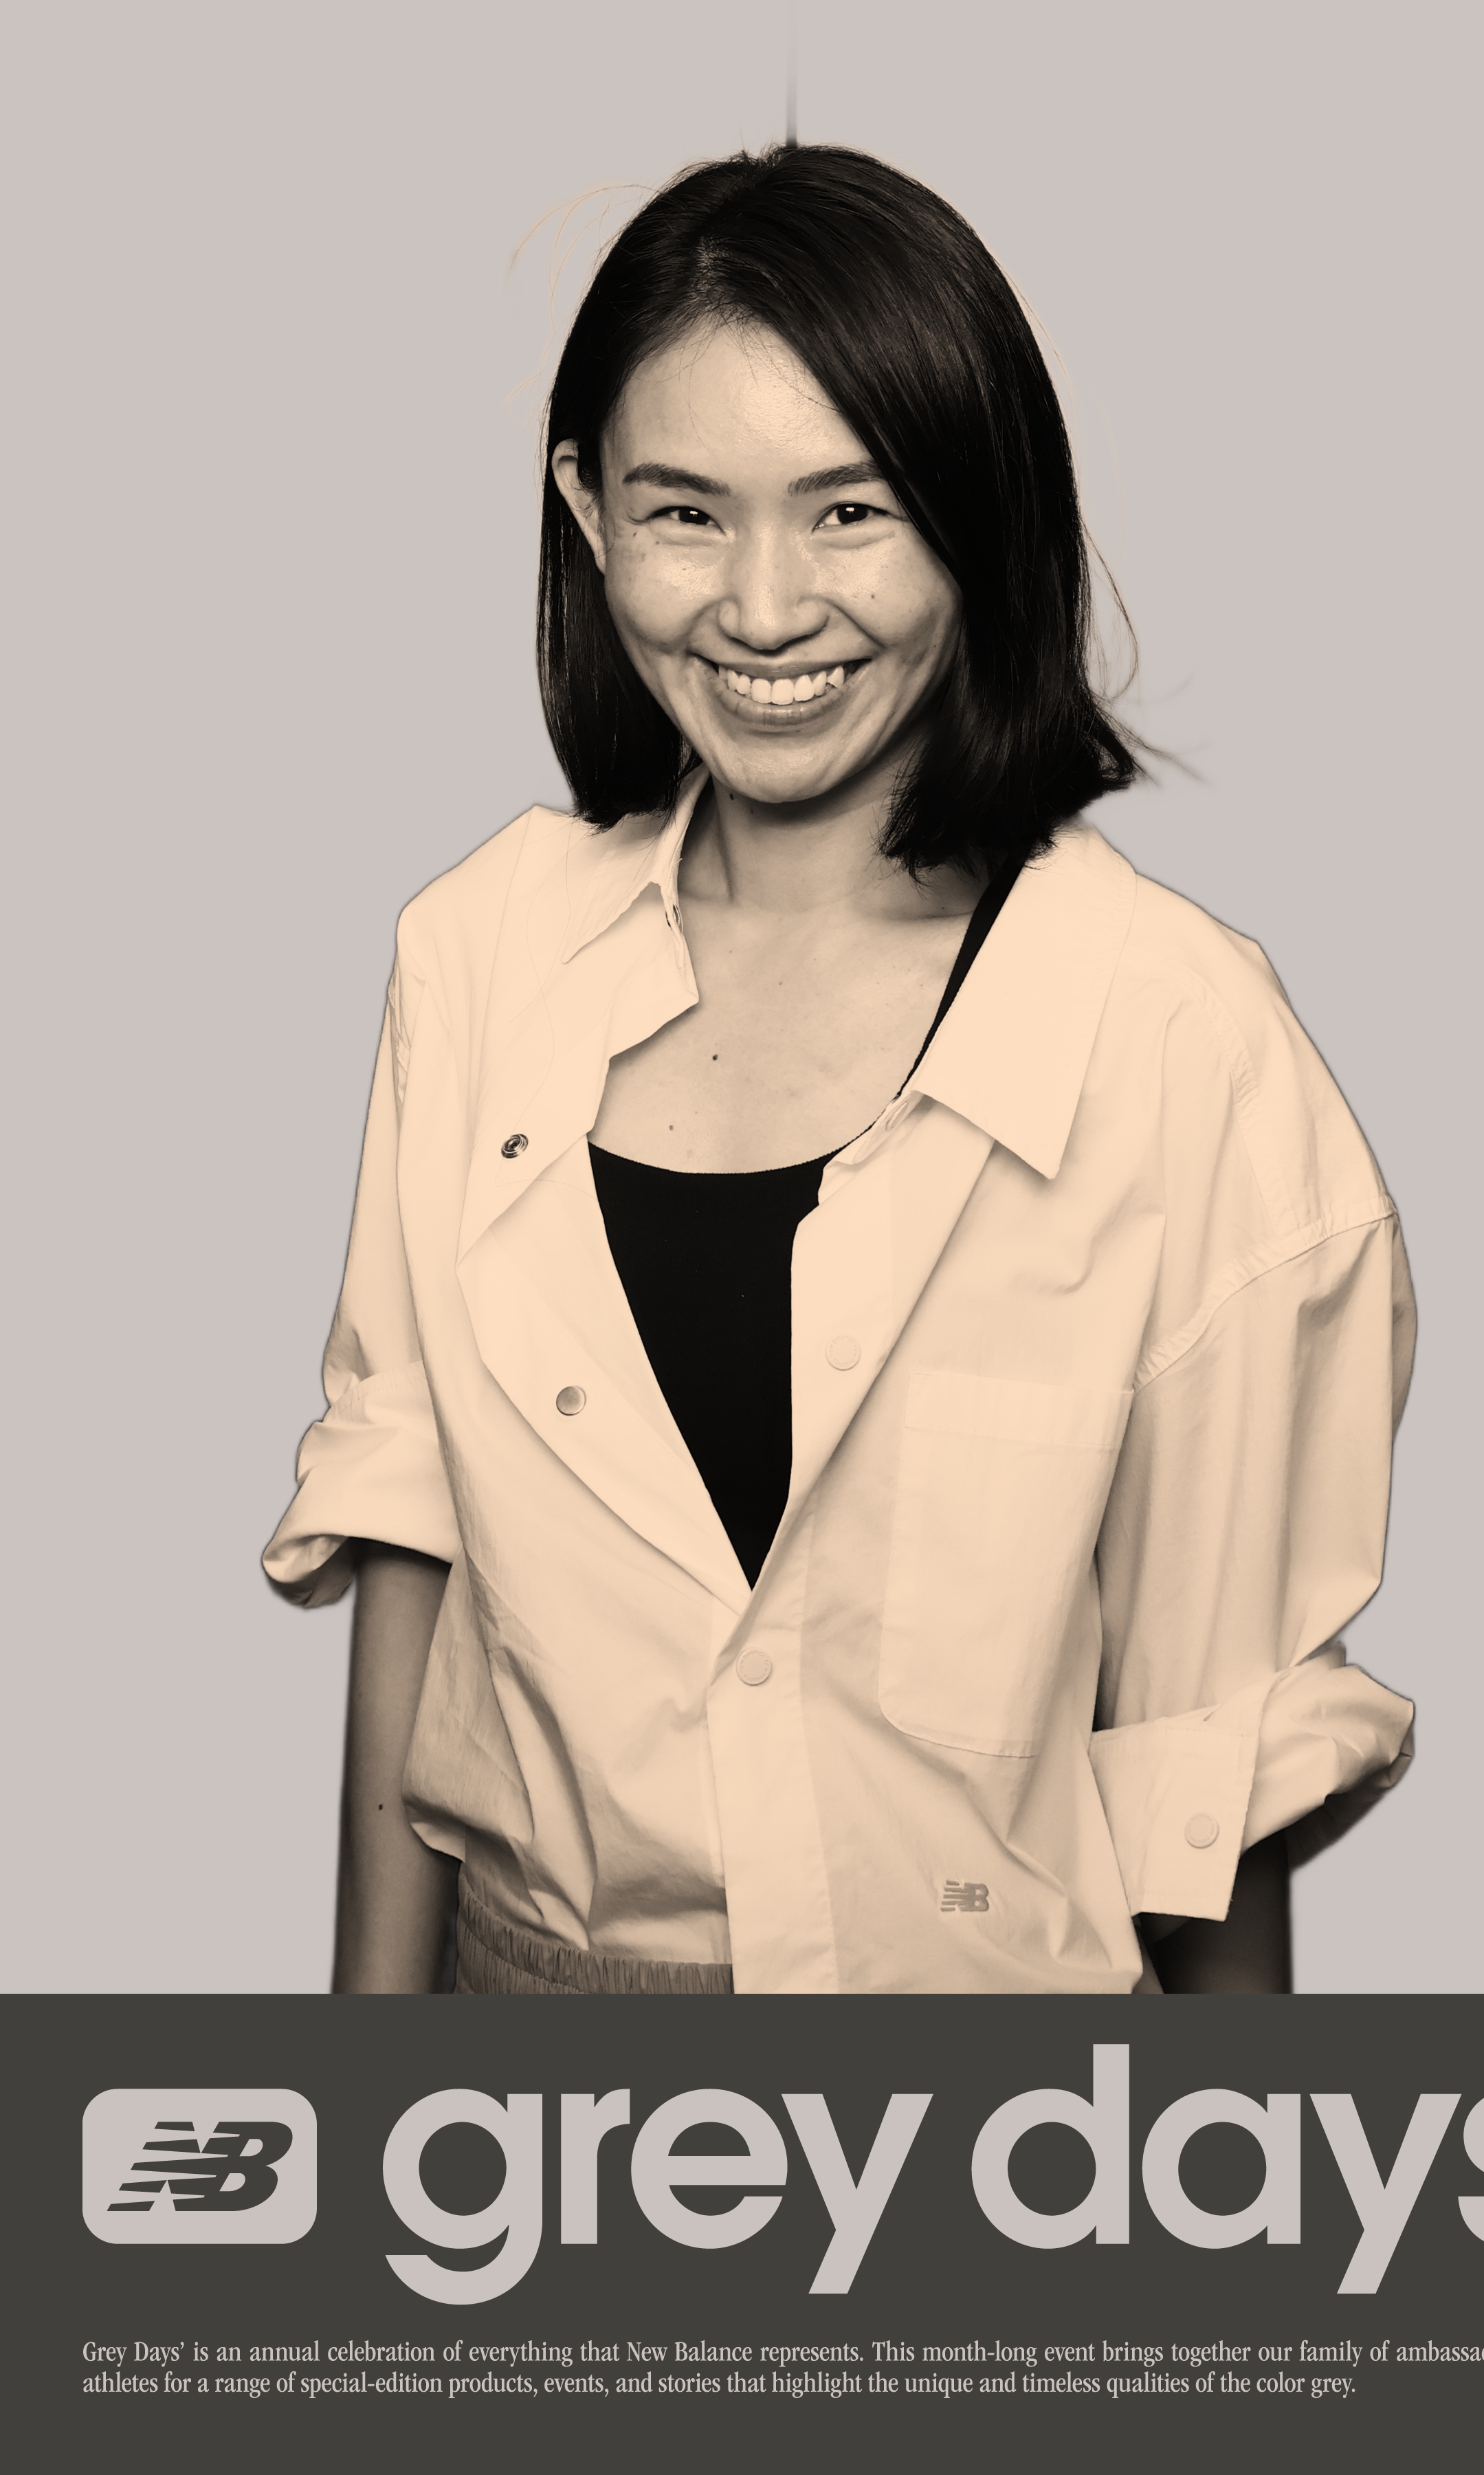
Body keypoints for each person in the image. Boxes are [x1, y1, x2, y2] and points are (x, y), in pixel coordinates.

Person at [264, 143, 1415, 1998]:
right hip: (530, 2084)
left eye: (851, 510)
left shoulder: (1180, 1036)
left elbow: (1214, 1760)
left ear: (979, 518)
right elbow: (412, 1549)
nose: (765, 607)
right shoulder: (475, 955)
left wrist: (1250, 2180)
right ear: (586, 510)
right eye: (686, 511)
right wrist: (354, 2113)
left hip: (1007, 2125)